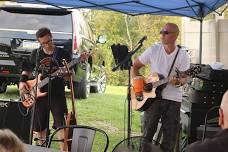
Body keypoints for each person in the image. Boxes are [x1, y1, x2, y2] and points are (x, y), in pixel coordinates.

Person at [132, 23, 190, 152]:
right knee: (147, 135)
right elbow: (135, 66)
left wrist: (179, 82)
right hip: (152, 99)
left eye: (166, 32)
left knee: (169, 138)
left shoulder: (183, 55)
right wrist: (138, 87)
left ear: (176, 35)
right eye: (161, 32)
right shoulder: (154, 50)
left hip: (173, 99)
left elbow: (184, 78)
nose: (162, 35)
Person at [19, 27, 71, 149]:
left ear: (51, 37)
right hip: (38, 97)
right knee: (39, 128)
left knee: (61, 127)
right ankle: (40, 149)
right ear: (39, 42)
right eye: (43, 43)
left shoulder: (63, 54)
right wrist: (22, 82)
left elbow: (71, 76)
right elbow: (26, 69)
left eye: (49, 41)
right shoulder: (36, 54)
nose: (47, 45)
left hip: (57, 95)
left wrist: (66, 74)